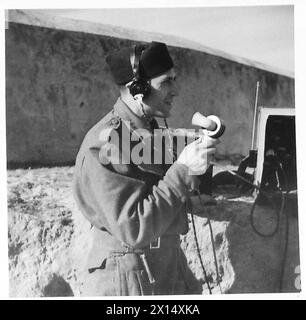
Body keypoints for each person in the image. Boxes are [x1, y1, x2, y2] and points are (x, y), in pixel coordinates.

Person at [73, 41, 219, 296]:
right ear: (137, 89)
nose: (176, 90)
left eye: (175, 79)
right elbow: (134, 227)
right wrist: (184, 169)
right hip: (129, 277)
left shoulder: (148, 129)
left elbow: (164, 184)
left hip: (165, 266)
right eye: (166, 82)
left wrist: (204, 145)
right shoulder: (106, 143)